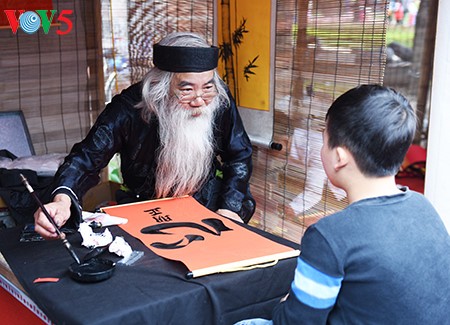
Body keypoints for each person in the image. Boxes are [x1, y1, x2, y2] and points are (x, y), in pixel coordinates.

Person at [235, 85, 450, 324]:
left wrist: (285, 303)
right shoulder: (424, 207)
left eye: (324, 139)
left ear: (339, 157)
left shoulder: (331, 235)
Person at [34, 32, 256, 239]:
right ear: (161, 86)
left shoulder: (218, 99)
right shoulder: (128, 109)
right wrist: (62, 202)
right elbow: (85, 159)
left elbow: (239, 155)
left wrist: (229, 209)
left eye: (207, 88)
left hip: (205, 203)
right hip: (143, 207)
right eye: (187, 90)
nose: (199, 100)